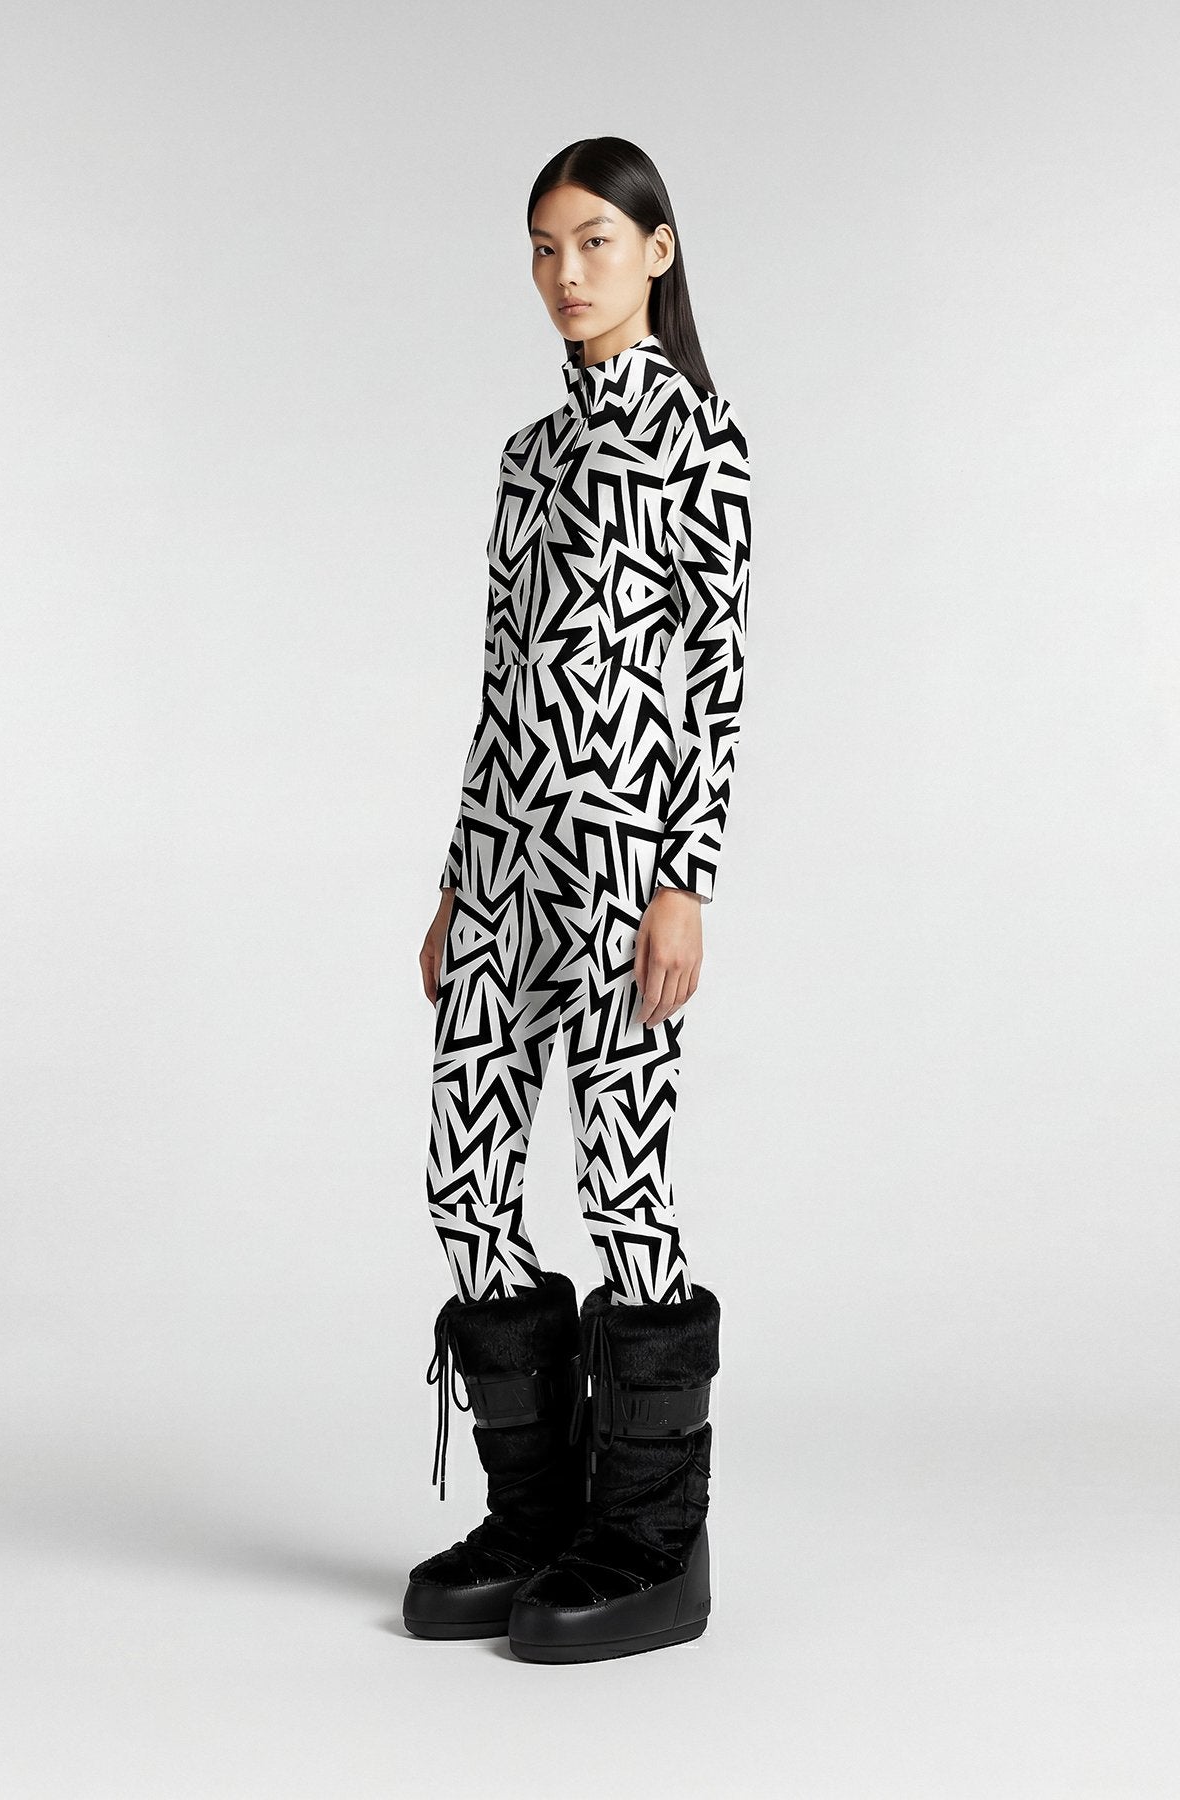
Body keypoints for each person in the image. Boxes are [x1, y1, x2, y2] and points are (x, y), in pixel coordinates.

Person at [402, 136, 751, 1663]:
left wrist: (685, 881)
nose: (566, 272)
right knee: (465, 1182)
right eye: (545, 247)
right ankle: (536, 1515)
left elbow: (716, 678)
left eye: (595, 240)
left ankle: (655, 1538)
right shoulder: (527, 458)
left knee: (623, 1185)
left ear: (657, 250)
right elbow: (499, 684)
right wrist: (454, 879)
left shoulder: (701, 440)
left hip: (621, 871)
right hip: (505, 871)